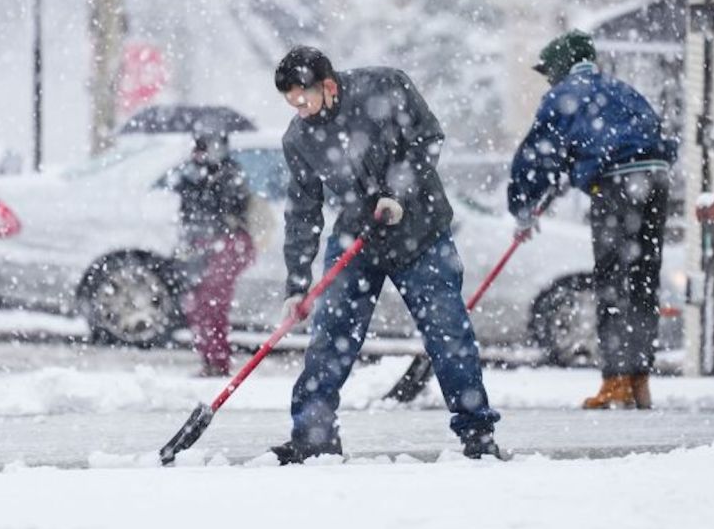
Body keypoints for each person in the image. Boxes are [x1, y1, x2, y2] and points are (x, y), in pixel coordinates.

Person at [270, 45, 502, 463]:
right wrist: (297, 284)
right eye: (291, 103)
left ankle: (477, 433)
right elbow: (303, 212)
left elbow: (428, 137)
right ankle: (313, 435)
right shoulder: (299, 139)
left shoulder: (385, 86)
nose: (300, 110)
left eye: (304, 99)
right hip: (358, 237)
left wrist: (399, 193)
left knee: (447, 332)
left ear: (328, 85)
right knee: (331, 335)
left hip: (420, 231)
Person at [507, 30, 678, 410]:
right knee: (643, 279)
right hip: (655, 180)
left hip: (618, 187)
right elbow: (649, 138)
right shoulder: (622, 90)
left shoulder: (563, 96)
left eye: (549, 71)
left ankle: (616, 381)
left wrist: (523, 206)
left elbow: (537, 156)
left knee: (613, 281)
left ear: (561, 68)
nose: (549, 79)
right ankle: (638, 378)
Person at [173, 130, 255, 377]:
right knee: (196, 305)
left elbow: (234, 208)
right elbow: (186, 209)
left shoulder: (230, 174)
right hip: (199, 243)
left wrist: (214, 181)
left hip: (225, 243)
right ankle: (208, 358)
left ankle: (218, 361)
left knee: (214, 304)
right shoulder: (190, 175)